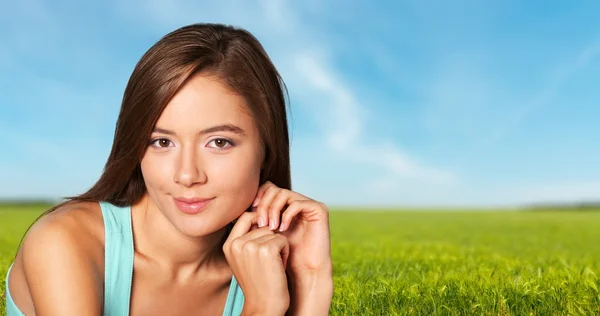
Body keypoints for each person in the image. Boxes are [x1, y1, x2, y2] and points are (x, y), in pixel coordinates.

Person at [4, 23, 333, 316]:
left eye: (218, 142)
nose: (187, 175)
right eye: (162, 142)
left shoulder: (263, 266)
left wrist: (310, 276)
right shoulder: (64, 243)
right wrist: (262, 309)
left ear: (267, 148)